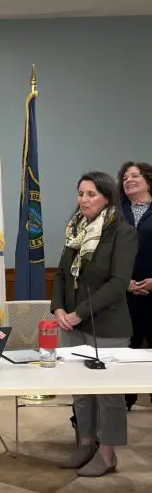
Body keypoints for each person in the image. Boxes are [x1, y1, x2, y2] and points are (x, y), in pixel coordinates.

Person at [51, 171, 138, 477]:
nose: (84, 200)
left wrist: (80, 312)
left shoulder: (122, 233)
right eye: (80, 194)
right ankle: (85, 443)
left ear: (107, 197)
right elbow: (62, 273)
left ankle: (107, 453)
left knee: (108, 394)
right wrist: (59, 308)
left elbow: (118, 283)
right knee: (80, 390)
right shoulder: (75, 229)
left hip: (107, 325)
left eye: (91, 194)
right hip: (71, 323)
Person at [118, 161, 152, 410]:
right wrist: (124, 282)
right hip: (123, 294)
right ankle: (123, 400)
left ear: (148, 180)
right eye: (125, 177)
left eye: (135, 175)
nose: (128, 179)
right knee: (125, 352)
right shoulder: (116, 213)